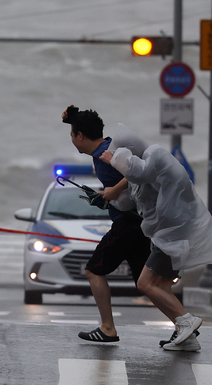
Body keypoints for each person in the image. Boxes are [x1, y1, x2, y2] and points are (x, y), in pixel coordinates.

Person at [99, 124, 212, 352]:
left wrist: (113, 158)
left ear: (129, 151)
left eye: (120, 152)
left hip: (174, 232)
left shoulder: (156, 156)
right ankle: (186, 337)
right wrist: (106, 197)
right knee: (162, 287)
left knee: (145, 284)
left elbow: (138, 172)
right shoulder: (141, 173)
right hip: (167, 233)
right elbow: (132, 201)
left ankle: (186, 320)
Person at [61, 106, 150, 343]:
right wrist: (105, 196)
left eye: (72, 134)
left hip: (128, 225)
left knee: (93, 270)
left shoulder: (103, 155)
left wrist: (113, 190)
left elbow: (135, 175)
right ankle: (182, 324)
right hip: (139, 224)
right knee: (147, 284)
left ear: (80, 135)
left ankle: (108, 328)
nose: (71, 140)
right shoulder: (107, 147)